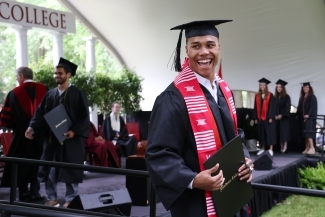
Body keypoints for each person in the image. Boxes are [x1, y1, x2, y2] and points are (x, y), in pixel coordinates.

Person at [145, 20, 253, 217]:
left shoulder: (223, 90)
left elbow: (234, 135)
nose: (204, 52)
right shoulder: (173, 99)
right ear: (186, 50)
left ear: (219, 48)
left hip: (231, 194)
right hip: (197, 204)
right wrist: (193, 179)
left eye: (210, 45)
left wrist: (244, 159)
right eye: (196, 46)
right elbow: (159, 153)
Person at [25, 58, 90, 208]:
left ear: (69, 75)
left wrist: (74, 131)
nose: (56, 76)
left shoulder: (78, 94)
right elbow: (40, 113)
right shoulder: (50, 94)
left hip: (71, 141)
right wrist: (32, 127)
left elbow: (84, 117)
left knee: (71, 170)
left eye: (60, 73)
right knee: (50, 170)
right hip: (52, 139)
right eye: (55, 73)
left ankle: (71, 199)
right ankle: (52, 198)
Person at [0, 67, 47, 202]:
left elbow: (6, 120)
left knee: (21, 165)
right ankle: (35, 192)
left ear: (21, 76)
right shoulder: (45, 90)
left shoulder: (14, 93)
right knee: (37, 163)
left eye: (16, 77)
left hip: (21, 138)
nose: (17, 80)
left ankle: (23, 193)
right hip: (40, 137)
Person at [253, 78, 276, 156]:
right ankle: (262, 148)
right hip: (260, 118)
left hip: (267, 118)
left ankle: (270, 149)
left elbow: (272, 106)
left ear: (266, 86)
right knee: (261, 133)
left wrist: (271, 117)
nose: (262, 86)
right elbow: (255, 107)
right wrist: (255, 118)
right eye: (261, 85)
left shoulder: (270, 95)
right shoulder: (257, 96)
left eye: (263, 85)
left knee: (269, 133)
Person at [296, 82, 317, 155]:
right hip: (303, 118)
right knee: (305, 133)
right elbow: (299, 107)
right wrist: (297, 114)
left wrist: (308, 114)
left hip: (310, 118)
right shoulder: (302, 97)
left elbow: (313, 107)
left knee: (309, 133)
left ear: (310, 88)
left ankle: (312, 148)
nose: (305, 88)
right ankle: (307, 148)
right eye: (304, 87)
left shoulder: (312, 96)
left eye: (307, 87)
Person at [274, 79, 291, 153]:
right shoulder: (276, 97)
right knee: (279, 132)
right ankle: (281, 146)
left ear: (283, 88)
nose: (278, 88)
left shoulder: (287, 97)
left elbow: (287, 107)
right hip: (277, 118)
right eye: (277, 87)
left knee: (284, 132)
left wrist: (281, 115)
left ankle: (285, 146)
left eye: (280, 87)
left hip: (284, 118)